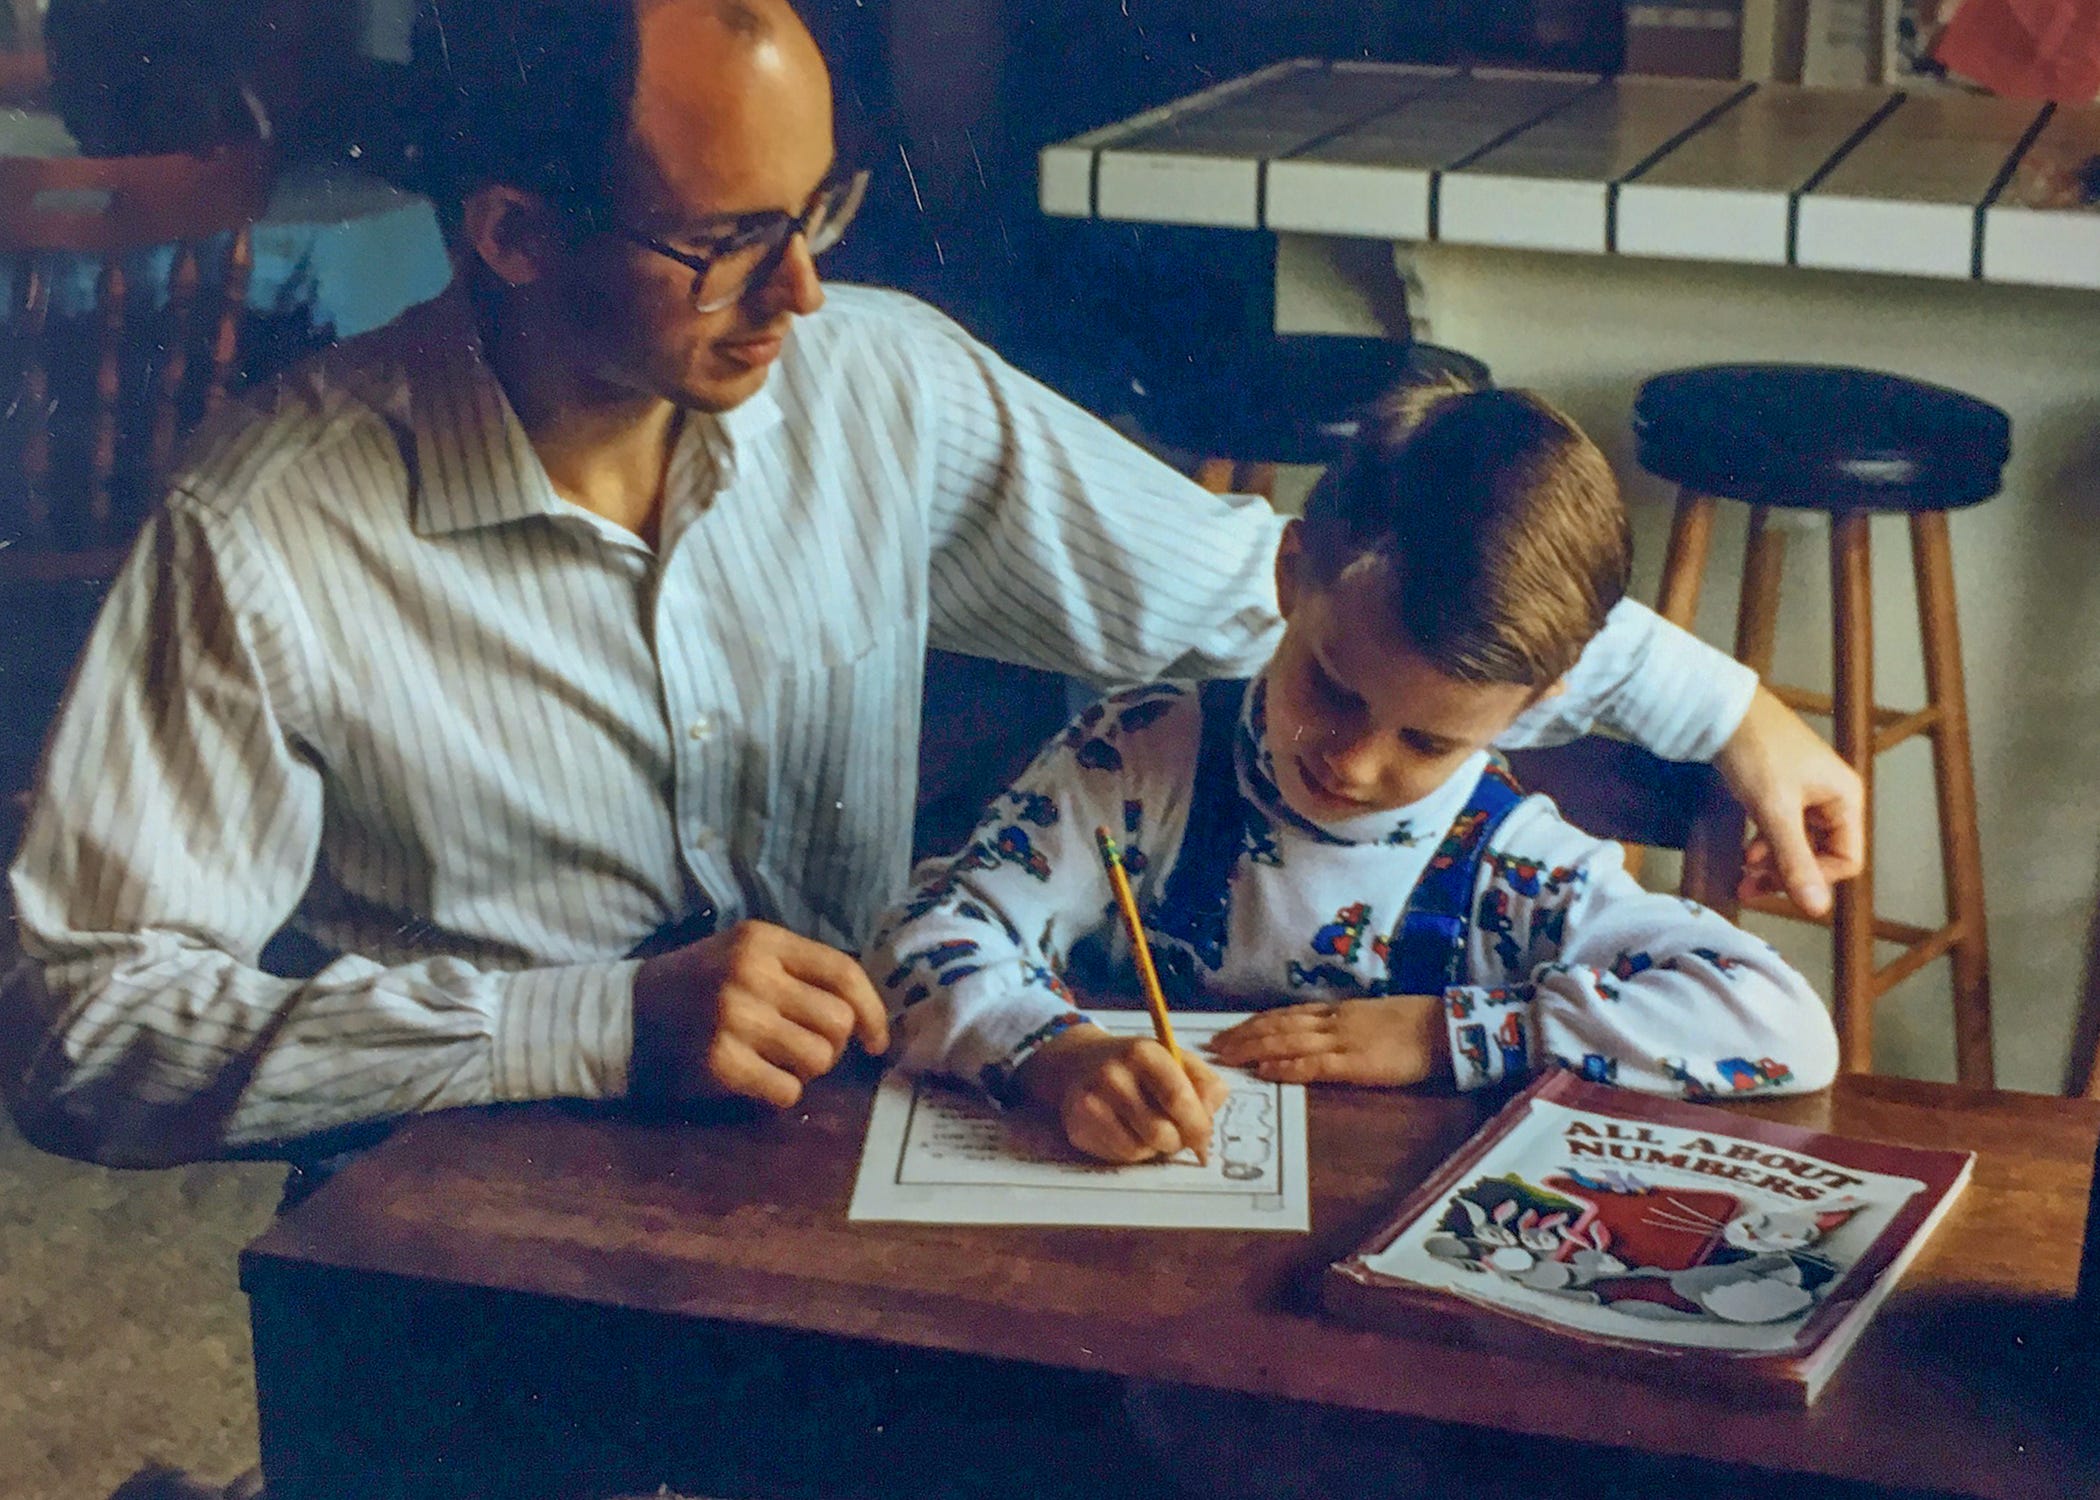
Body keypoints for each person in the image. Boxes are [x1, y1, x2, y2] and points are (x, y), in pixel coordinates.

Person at [1, 0, 1856, 1171]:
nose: (804, 292)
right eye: (731, 241)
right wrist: (586, 1020)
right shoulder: (265, 529)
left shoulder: (874, 381)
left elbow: (1264, 594)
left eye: (823, 211)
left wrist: (1728, 708)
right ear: (514, 234)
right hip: (486, 1200)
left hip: (854, 1163)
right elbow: (77, 1028)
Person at [866, 379, 1840, 1164]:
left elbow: (1785, 1024)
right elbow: (922, 938)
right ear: (1291, 577)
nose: (1356, 761)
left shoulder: (1515, 868)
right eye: (1332, 690)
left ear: (1534, 705)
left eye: (1429, 743)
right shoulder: (1133, 759)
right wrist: (1057, 1057)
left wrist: (1443, 1036)